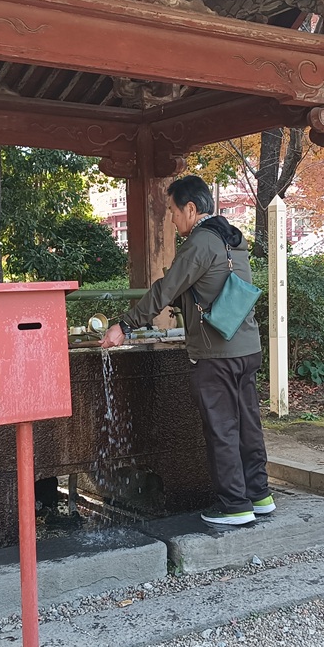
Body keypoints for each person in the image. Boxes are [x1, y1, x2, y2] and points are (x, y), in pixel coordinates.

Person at [100, 175, 274, 526]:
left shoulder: (200, 242)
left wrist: (124, 325)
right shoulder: (231, 238)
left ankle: (235, 506)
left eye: (173, 211)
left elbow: (165, 289)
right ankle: (259, 495)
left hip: (216, 354)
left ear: (191, 209)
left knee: (222, 429)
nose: (171, 219)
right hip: (246, 348)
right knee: (247, 425)